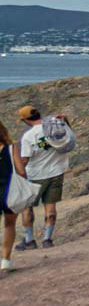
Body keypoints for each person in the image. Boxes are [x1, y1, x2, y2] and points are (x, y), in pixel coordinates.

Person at [14, 105, 73, 251]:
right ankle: (47, 239)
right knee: (50, 206)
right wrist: (65, 120)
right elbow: (69, 137)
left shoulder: (29, 136)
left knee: (26, 208)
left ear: (26, 120)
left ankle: (29, 241)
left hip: (34, 176)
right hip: (56, 172)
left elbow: (25, 160)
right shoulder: (57, 126)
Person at [1, 115, 20, 273]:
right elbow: (20, 170)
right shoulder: (12, 148)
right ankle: (6, 260)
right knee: (9, 224)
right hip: (9, 190)